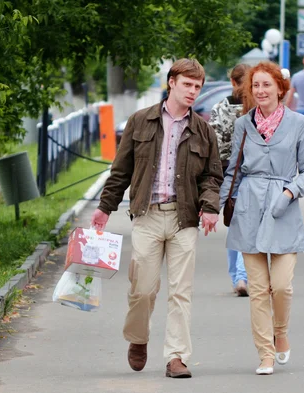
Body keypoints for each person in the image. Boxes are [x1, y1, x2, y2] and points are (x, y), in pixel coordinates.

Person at [91, 58, 223, 379]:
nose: (193, 91)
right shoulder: (140, 121)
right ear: (172, 83)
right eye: (188, 85)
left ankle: (176, 356)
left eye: (198, 87)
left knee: (181, 291)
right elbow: (120, 171)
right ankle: (138, 338)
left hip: (185, 218)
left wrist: (209, 206)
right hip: (147, 216)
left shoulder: (203, 131)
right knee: (143, 289)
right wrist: (104, 208)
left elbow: (212, 176)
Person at [220, 62, 304, 375]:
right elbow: (233, 170)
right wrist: (218, 206)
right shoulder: (242, 125)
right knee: (258, 289)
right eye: (256, 86)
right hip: (249, 207)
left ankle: (281, 332)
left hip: (283, 210)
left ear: (280, 89)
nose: (260, 91)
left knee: (282, 286)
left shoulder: (298, 123)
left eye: (266, 85)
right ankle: (265, 354)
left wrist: (289, 194)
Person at [208, 63, 252, 297]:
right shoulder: (256, 109)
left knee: (235, 225)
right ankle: (242, 275)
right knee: (247, 225)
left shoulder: (218, 108)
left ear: (232, 82)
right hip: (252, 173)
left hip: (226, 174)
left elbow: (212, 142)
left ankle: (237, 276)